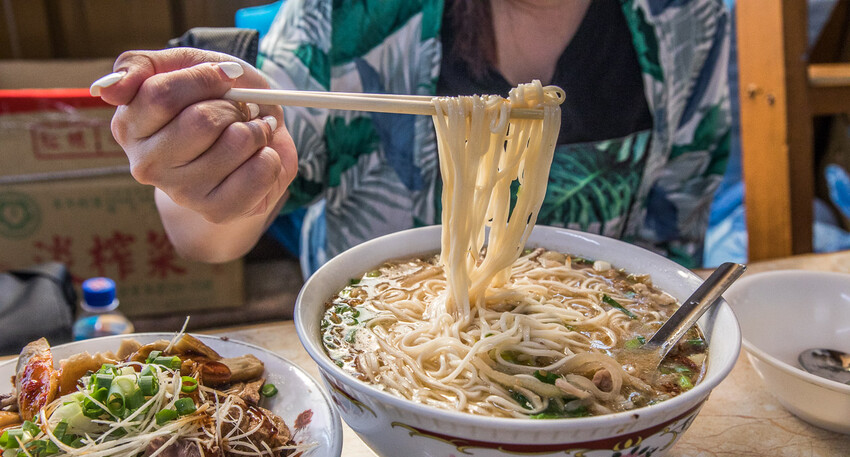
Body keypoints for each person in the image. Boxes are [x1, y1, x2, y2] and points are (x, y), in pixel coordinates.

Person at [93, 0, 731, 276]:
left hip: (592, 389)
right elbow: (208, 236)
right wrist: (206, 170)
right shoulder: (353, 15)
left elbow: (669, 245)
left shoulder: (687, 19)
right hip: (375, 384)